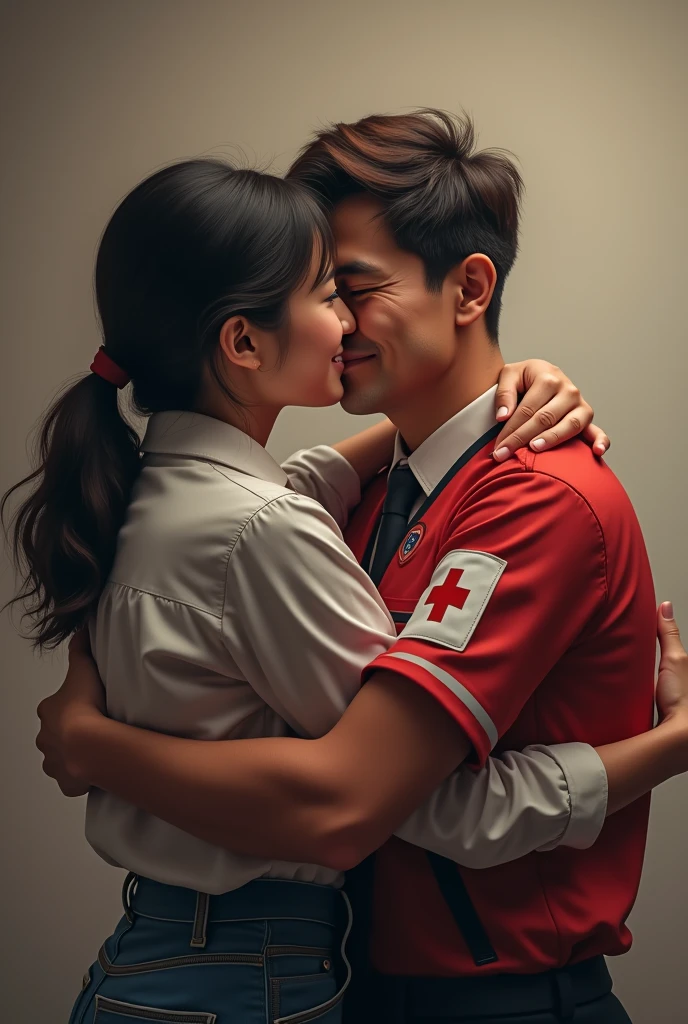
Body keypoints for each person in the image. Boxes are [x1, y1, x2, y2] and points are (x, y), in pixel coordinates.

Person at [27, 112, 688, 1024]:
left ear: (469, 288)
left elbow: (366, 798)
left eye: (355, 287)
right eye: (321, 289)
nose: (338, 319)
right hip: (348, 981)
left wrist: (97, 745)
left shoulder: (531, 498)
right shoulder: (359, 498)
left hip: (494, 1003)